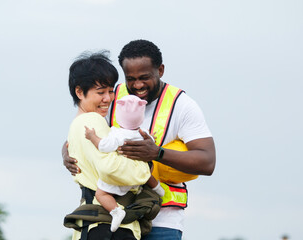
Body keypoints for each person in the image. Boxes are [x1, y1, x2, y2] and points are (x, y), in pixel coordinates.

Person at [63, 40, 216, 240]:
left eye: (144, 77)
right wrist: (66, 153)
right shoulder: (113, 96)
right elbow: (87, 131)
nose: (137, 85)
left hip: (163, 220)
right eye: (130, 78)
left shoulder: (182, 106)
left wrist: (157, 153)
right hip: (117, 218)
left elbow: (208, 161)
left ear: (160, 70)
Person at [65, 50, 156, 240]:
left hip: (94, 226)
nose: (108, 98)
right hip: (109, 228)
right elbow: (111, 168)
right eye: (100, 93)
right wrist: (146, 167)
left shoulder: (78, 124)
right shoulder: (93, 121)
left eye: (110, 91)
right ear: (79, 92)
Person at [84, 94, 165, 233]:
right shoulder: (142, 132)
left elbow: (103, 146)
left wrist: (92, 137)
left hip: (122, 176)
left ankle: (116, 211)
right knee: (146, 172)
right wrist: (152, 138)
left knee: (101, 194)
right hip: (138, 178)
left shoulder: (117, 135)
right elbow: (151, 139)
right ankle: (158, 188)